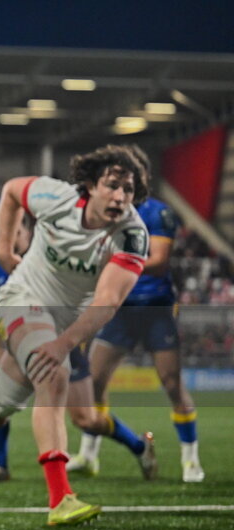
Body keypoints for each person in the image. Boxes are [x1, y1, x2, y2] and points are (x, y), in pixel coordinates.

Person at [0, 145, 150, 526]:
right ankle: (61, 499)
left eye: (128, 190)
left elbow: (108, 301)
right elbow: (13, 190)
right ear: (90, 185)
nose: (120, 196)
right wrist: (3, 248)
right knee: (55, 375)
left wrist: (65, 341)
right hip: (21, 299)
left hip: (62, 326)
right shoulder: (57, 197)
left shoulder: (132, 236)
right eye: (112, 185)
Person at [0, 220, 155, 484]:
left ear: (29, 233)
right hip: (20, 345)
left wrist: (73, 339)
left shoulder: (51, 257)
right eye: (4, 233)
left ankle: (139, 446)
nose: (9, 238)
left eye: (15, 232)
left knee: (86, 419)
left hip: (60, 345)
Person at [71, 163, 204, 482]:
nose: (118, 191)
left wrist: (113, 263)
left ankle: (191, 459)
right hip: (118, 309)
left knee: (172, 384)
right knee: (95, 383)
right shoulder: (103, 214)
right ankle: (89, 456)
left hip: (155, 310)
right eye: (113, 184)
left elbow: (158, 262)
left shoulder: (159, 213)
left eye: (125, 184)